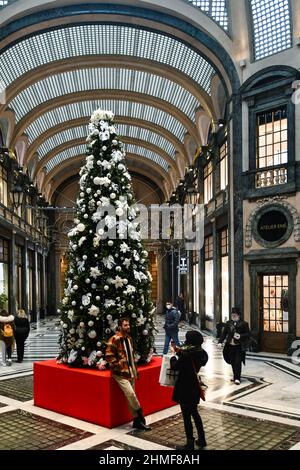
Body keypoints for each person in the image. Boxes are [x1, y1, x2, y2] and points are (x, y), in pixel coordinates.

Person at [105, 317, 151, 431]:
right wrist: (119, 366)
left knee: (129, 397)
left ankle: (136, 421)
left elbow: (130, 355)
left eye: (128, 325)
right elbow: (109, 356)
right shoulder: (115, 339)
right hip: (120, 373)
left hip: (130, 371)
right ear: (120, 326)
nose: (128, 327)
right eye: (125, 325)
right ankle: (140, 413)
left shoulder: (129, 338)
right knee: (131, 394)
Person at [170, 330, 208, 451]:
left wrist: (173, 356)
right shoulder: (200, 352)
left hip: (184, 387)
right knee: (195, 414)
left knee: (187, 416)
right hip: (194, 387)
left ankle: (190, 443)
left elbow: (175, 366)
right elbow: (189, 358)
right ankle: (202, 439)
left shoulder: (187, 354)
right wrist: (179, 352)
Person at [218, 307, 250, 385]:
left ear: (239, 316)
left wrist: (240, 336)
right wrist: (220, 342)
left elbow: (248, 334)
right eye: (232, 315)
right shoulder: (229, 323)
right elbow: (224, 333)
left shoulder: (244, 324)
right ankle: (235, 376)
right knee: (232, 361)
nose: (233, 317)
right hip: (229, 346)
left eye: (235, 315)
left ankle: (237, 378)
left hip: (238, 346)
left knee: (237, 362)